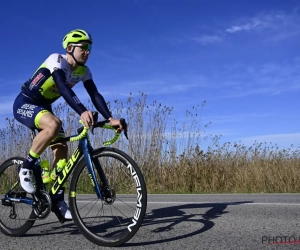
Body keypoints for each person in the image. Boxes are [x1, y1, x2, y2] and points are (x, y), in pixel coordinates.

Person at [12, 29, 123, 220]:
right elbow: (62, 88)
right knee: (54, 124)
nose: (88, 51)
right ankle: (26, 167)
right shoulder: (56, 60)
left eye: (90, 48)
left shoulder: (84, 71)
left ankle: (56, 199)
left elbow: (95, 95)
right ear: (70, 48)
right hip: (25, 103)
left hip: (44, 107)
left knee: (62, 148)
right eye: (84, 47)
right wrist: (82, 111)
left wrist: (110, 117)